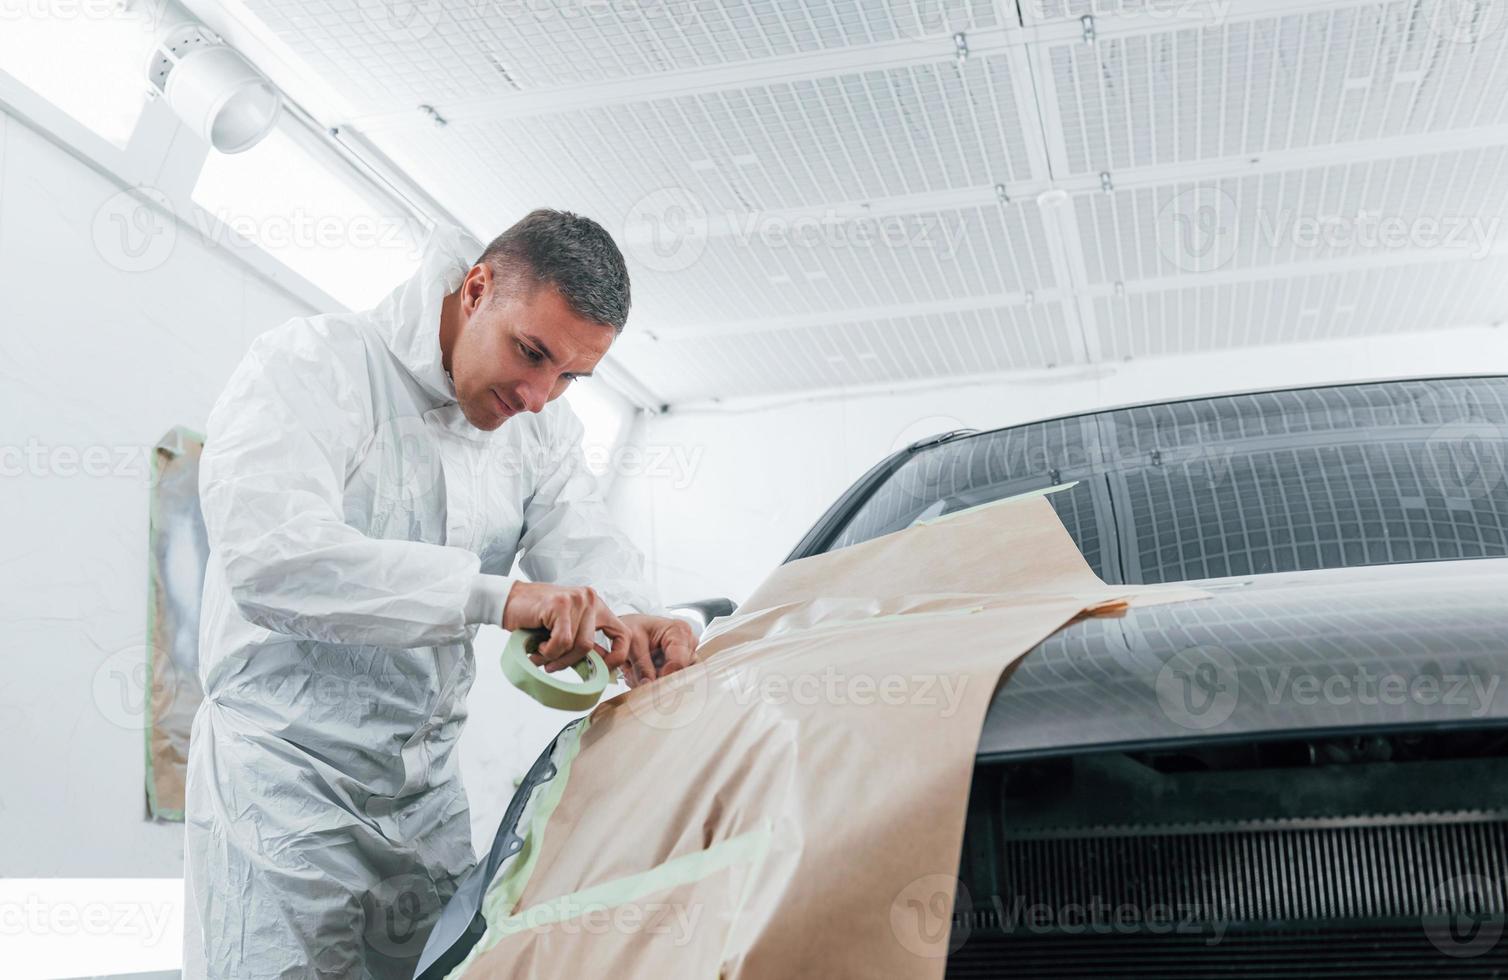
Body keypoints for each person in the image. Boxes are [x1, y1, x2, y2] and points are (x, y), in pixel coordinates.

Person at [183, 211, 698, 978]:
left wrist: (633, 618)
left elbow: (585, 543)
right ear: (478, 287)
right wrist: (501, 599)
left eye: (569, 377)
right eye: (532, 354)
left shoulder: (541, 432)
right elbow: (272, 560)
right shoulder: (316, 366)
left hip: (424, 802)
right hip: (283, 787)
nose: (538, 394)